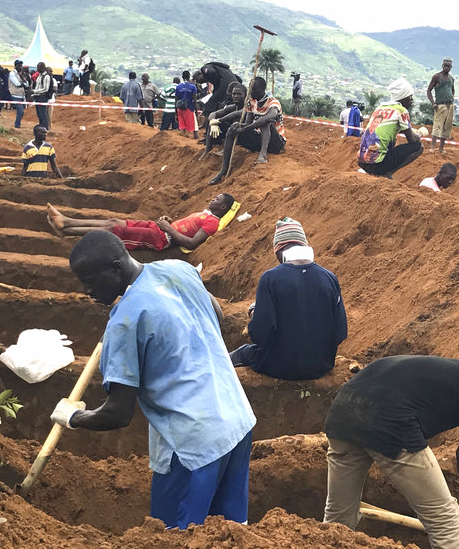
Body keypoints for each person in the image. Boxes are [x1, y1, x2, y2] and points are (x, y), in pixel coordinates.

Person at [51, 230, 256, 530]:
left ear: (116, 269)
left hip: (192, 444)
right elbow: (217, 312)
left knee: (174, 545)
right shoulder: (178, 269)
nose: (87, 291)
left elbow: (118, 413)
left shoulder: (125, 321)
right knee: (230, 538)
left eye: (91, 282)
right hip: (236, 421)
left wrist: (74, 417)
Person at [323, 344, 459, 549]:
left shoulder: (435, 370)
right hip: (390, 420)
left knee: (338, 521)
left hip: (341, 412)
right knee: (445, 520)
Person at [230, 217, 348, 380]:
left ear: (278, 249)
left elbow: (259, 335)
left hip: (280, 366)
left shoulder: (270, 278)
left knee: (241, 353)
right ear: (304, 244)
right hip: (322, 364)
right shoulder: (329, 278)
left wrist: (255, 314)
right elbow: (341, 333)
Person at [47, 194, 235, 252]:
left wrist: (168, 228)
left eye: (218, 199)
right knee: (114, 221)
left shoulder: (212, 223)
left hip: (163, 239)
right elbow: (185, 227)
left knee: (114, 229)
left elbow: (192, 243)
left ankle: (68, 229)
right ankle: (66, 222)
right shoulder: (206, 213)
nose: (213, 199)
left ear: (224, 207)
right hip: (161, 229)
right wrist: (169, 222)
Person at [208, 76, 286, 185]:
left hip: (276, 143)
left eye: (254, 89)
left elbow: (269, 117)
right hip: (259, 138)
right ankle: (223, 171)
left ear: (263, 88)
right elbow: (247, 122)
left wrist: (247, 128)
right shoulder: (251, 101)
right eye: (250, 88)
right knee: (234, 127)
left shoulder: (273, 102)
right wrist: (239, 127)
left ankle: (262, 156)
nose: (250, 91)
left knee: (265, 122)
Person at [357, 78, 425, 179]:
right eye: (410, 97)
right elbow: (412, 139)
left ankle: (374, 172)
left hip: (362, 161)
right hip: (379, 164)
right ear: (403, 97)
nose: (411, 101)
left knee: (390, 144)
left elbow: (386, 128)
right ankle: (388, 173)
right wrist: (420, 133)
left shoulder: (380, 108)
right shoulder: (401, 110)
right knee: (419, 146)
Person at [195, 62, 241, 130]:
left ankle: (207, 126)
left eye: (200, 80)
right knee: (219, 107)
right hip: (231, 88)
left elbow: (211, 72)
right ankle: (209, 125)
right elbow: (239, 79)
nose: (203, 82)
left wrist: (216, 88)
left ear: (200, 74)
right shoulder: (223, 69)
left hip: (224, 88)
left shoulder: (205, 69)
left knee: (209, 106)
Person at [426, 57, 454, 153]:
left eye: (448, 66)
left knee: (447, 127)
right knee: (437, 126)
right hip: (440, 105)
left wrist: (452, 98)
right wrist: (433, 103)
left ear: (451, 67)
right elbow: (429, 90)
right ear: (442, 66)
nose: (446, 68)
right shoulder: (437, 77)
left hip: (450, 105)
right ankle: (432, 148)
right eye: (445, 66)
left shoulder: (451, 79)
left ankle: (441, 149)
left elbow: (452, 90)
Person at [175, 70, 198, 136]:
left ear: (182, 77)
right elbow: (194, 100)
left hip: (180, 109)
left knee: (182, 128)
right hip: (189, 108)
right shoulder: (193, 87)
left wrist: (176, 112)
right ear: (189, 77)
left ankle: (182, 143)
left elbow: (176, 100)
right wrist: (196, 112)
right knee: (193, 128)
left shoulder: (178, 87)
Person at [32, 62, 53, 129]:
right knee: (39, 114)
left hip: (43, 97)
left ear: (43, 67)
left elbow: (45, 89)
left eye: (38, 67)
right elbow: (37, 86)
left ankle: (45, 127)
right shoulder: (39, 76)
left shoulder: (46, 76)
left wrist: (34, 91)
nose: (37, 69)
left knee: (42, 113)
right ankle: (41, 126)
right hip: (37, 96)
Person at [8, 60, 29, 128]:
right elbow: (17, 84)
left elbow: (27, 84)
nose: (21, 67)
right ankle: (17, 125)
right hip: (15, 94)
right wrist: (23, 83)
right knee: (20, 111)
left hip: (21, 95)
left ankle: (17, 124)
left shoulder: (20, 74)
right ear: (16, 66)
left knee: (20, 111)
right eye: (19, 66)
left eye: (21, 66)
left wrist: (22, 78)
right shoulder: (12, 73)